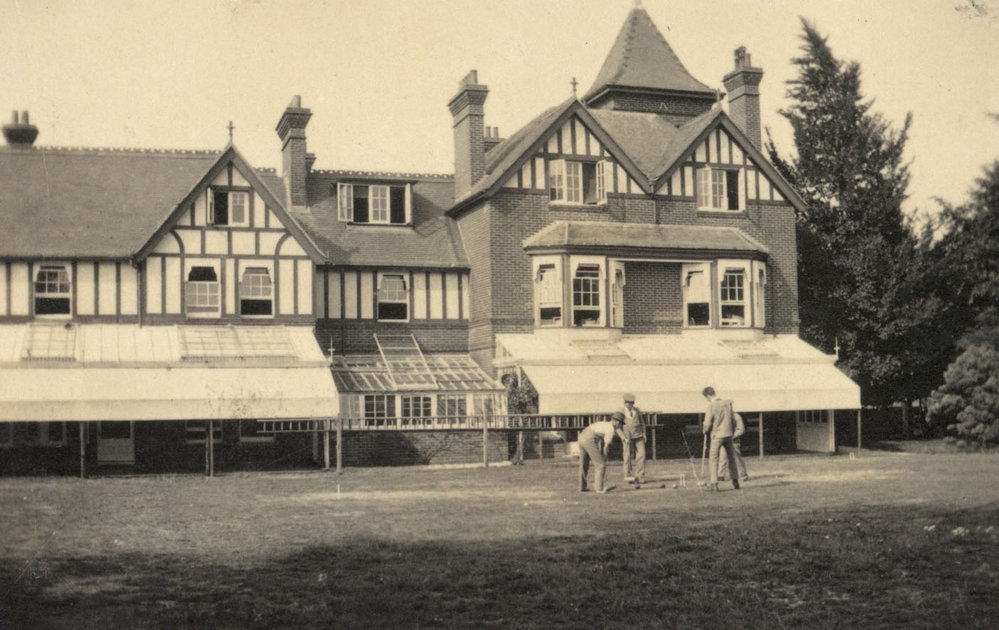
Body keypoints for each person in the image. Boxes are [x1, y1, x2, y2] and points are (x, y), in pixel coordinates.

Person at [701, 386, 740, 492]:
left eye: (706, 398)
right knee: (731, 458)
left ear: (708, 395)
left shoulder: (711, 406)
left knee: (713, 459)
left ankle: (714, 483)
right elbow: (733, 419)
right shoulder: (727, 403)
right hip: (728, 434)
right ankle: (735, 481)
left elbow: (708, 422)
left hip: (717, 436)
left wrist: (705, 429)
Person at [578, 413, 625, 493]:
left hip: (581, 436)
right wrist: (604, 458)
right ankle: (599, 488)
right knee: (601, 464)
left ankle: (582, 487)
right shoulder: (611, 429)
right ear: (617, 422)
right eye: (621, 424)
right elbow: (606, 447)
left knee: (584, 463)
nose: (620, 426)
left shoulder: (604, 423)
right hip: (589, 439)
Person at [619, 393, 646, 483]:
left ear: (633, 403)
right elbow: (617, 427)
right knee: (627, 457)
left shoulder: (637, 411)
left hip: (639, 436)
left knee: (641, 455)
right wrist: (623, 437)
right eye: (627, 403)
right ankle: (628, 476)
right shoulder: (621, 412)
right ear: (624, 403)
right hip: (627, 438)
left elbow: (642, 423)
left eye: (631, 403)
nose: (629, 405)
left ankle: (640, 476)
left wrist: (644, 433)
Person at [718, 411, 749, 482]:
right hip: (723, 439)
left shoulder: (736, 416)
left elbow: (741, 429)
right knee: (722, 457)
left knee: (736, 458)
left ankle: (743, 474)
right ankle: (721, 475)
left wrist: (733, 436)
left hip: (733, 441)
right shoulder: (721, 415)